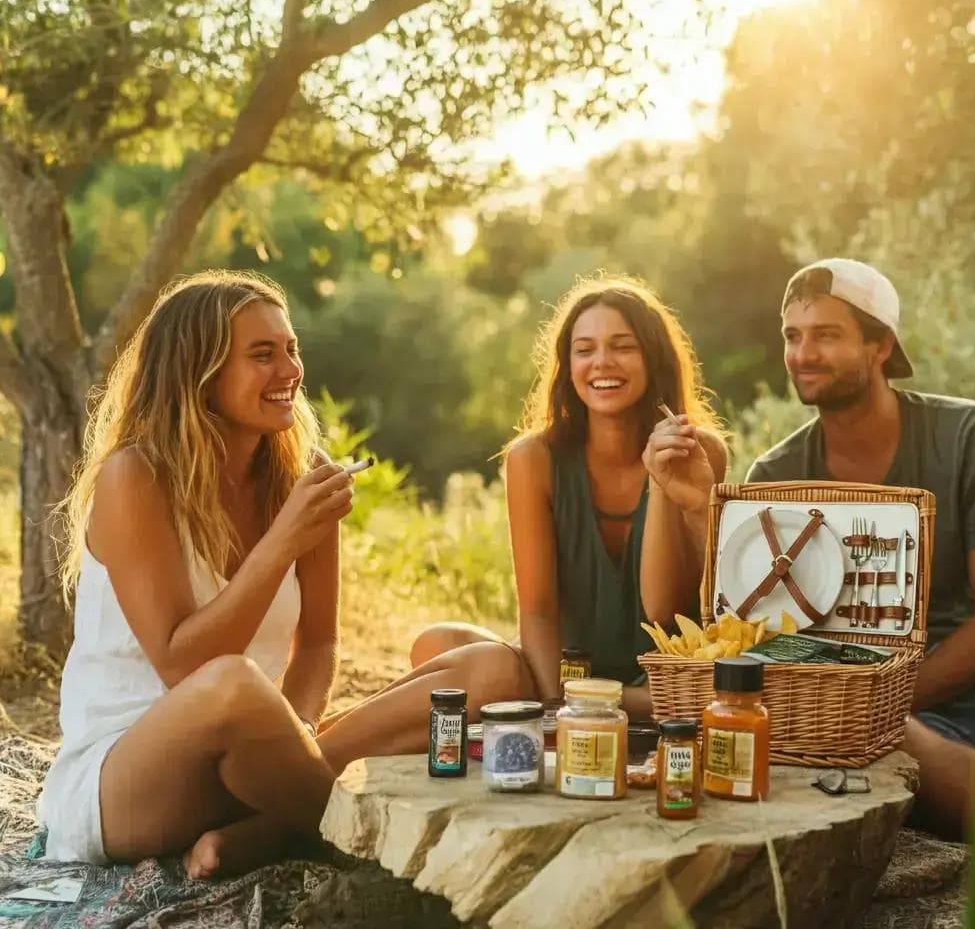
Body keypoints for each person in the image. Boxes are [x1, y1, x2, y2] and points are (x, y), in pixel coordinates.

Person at [37, 270, 523, 881]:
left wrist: (295, 737)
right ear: (199, 372)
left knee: (491, 669)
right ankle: (351, 834)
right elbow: (183, 666)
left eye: (290, 349)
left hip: (259, 757)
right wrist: (284, 540)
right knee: (232, 686)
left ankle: (265, 832)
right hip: (131, 778)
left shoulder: (301, 476)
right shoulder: (135, 478)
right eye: (262, 355)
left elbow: (318, 643)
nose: (289, 370)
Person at [747, 257, 975, 838]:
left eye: (827, 335)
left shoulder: (972, 437)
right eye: (793, 337)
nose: (803, 354)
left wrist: (879, 705)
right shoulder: (774, 475)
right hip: (850, 701)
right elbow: (767, 631)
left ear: (881, 347)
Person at [407, 276, 728, 715]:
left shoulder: (699, 451)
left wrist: (660, 481)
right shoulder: (533, 458)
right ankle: (318, 740)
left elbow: (662, 611)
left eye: (623, 346)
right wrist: (554, 701)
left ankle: (595, 701)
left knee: (692, 699)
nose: (602, 362)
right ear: (567, 365)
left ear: (654, 358)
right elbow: (538, 611)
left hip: (657, 681)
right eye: (584, 349)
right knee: (438, 643)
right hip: (566, 676)